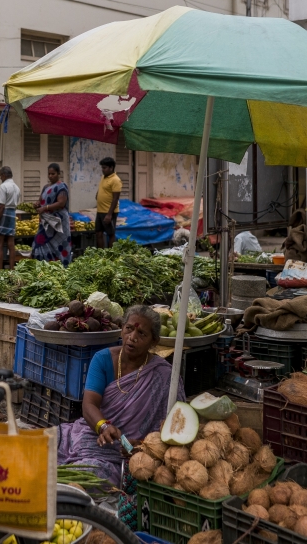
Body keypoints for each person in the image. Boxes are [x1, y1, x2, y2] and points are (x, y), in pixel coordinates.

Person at [57, 305, 185, 487]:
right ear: (122, 329)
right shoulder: (102, 359)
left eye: (142, 334)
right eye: (129, 329)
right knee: (38, 446)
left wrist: (143, 446)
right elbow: (89, 405)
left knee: (90, 475)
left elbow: (173, 428)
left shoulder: (163, 376)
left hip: (129, 455)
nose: (132, 338)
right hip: (92, 435)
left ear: (154, 341)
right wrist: (103, 426)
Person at [31, 163, 72, 266]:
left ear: (58, 174)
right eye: (49, 174)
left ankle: (61, 268)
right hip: (46, 222)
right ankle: (45, 266)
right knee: (38, 243)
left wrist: (45, 208)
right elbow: (41, 200)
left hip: (58, 222)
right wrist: (37, 204)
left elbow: (61, 203)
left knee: (59, 245)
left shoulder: (62, 186)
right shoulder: (46, 187)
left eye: (53, 174)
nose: (50, 176)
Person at [0, 166, 20, 270]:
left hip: (4, 213)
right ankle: (11, 269)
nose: (0, 178)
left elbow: (1, 206)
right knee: (11, 243)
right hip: (12, 213)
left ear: (4, 175)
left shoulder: (3, 186)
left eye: (0, 176)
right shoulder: (17, 187)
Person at [95, 157, 122, 249]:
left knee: (110, 234)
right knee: (98, 233)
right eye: (102, 168)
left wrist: (109, 214)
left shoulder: (115, 180)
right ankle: (100, 254)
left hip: (109, 211)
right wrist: (98, 194)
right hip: (100, 210)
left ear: (111, 168)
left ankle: (111, 255)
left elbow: (115, 198)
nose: (103, 170)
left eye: (104, 168)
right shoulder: (103, 177)